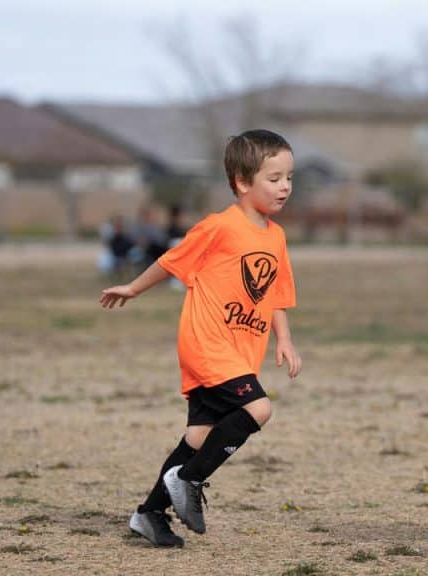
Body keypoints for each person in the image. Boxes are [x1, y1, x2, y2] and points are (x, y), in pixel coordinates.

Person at [100, 129, 301, 548]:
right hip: (208, 344)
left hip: (240, 351)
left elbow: (276, 293)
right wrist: (133, 289)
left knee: (199, 437)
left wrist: (285, 339)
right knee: (259, 409)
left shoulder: (276, 237)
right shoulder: (219, 228)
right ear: (243, 183)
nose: (285, 187)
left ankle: (149, 514)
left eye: (289, 177)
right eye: (274, 178)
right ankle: (187, 479)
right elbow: (171, 262)